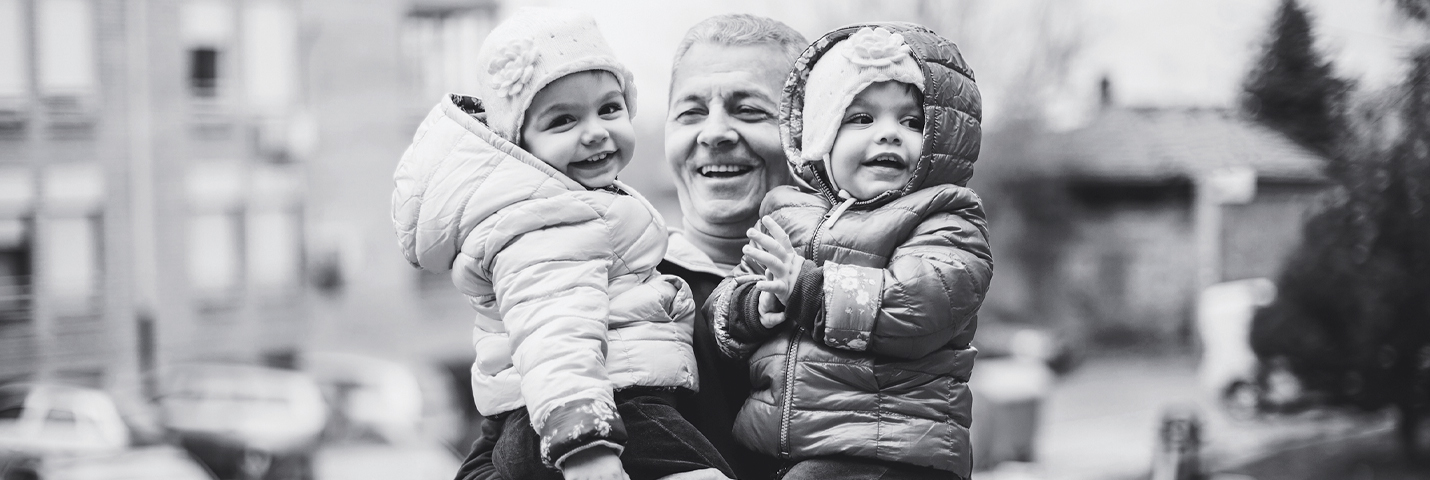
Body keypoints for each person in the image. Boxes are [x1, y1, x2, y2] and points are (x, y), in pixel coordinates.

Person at [453, 13, 806, 480]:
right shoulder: (604, 283)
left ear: (807, 133)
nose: (714, 132)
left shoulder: (871, 294)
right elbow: (490, 462)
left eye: (749, 110)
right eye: (692, 112)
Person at [392, 8, 732, 480]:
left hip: (568, 411)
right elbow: (555, 327)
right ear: (521, 147)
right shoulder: (547, 221)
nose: (595, 131)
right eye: (563, 120)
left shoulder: (574, 204)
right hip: (600, 412)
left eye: (609, 108)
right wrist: (585, 444)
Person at [705, 23, 992, 480]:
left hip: (889, 449)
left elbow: (919, 304)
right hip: (787, 447)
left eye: (912, 121)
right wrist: (753, 305)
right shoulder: (788, 211)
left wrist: (809, 289)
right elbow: (729, 297)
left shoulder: (944, 217)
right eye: (861, 117)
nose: (889, 134)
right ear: (822, 135)